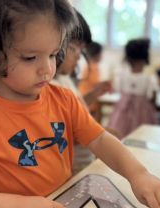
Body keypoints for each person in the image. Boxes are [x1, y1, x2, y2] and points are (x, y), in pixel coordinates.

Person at [0, 0, 160, 208]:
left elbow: (101, 139)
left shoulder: (64, 99)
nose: (47, 69)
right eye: (30, 57)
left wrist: (138, 174)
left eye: (53, 54)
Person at [51, 11, 121, 175]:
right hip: (72, 164)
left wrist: (93, 94)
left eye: (81, 50)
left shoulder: (65, 79)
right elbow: (59, 134)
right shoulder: (50, 86)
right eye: (75, 49)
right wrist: (99, 133)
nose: (78, 57)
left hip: (85, 160)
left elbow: (77, 108)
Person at [108, 39, 159, 137]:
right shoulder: (150, 78)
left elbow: (115, 90)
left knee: (119, 138)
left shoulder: (121, 76)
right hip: (143, 117)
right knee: (142, 138)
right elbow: (153, 99)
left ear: (127, 58)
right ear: (146, 58)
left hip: (121, 115)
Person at [78, 42, 103, 115]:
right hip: (90, 102)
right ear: (98, 55)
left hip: (84, 96)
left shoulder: (88, 65)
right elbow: (96, 83)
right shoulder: (93, 66)